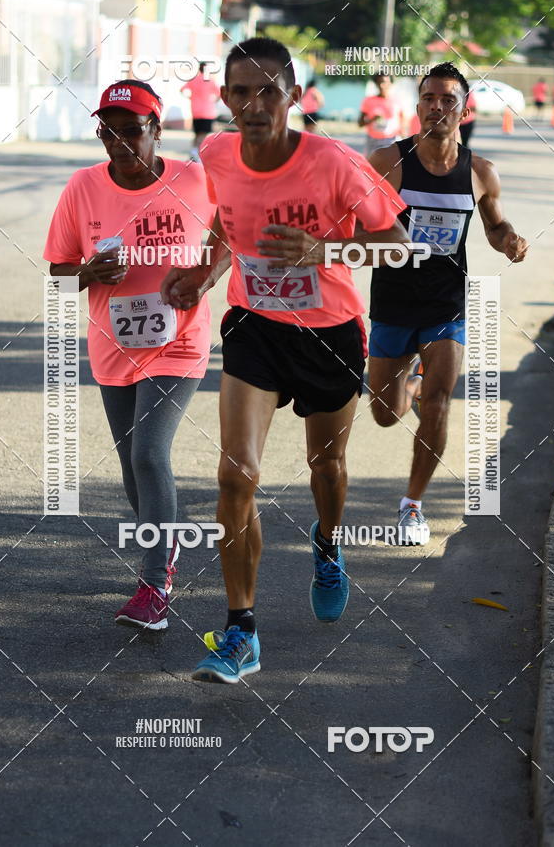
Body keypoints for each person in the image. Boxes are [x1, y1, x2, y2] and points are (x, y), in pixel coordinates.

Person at [161, 37, 408, 684]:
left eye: (269, 89)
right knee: (235, 473)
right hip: (255, 327)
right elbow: (226, 223)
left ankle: (327, 545)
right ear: (225, 98)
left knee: (326, 467)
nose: (254, 103)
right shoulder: (216, 152)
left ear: (294, 97)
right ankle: (241, 630)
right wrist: (204, 274)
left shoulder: (334, 164)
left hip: (329, 332)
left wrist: (323, 254)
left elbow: (399, 247)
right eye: (241, 91)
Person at [44, 79, 215, 630]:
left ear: (157, 131)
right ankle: (162, 545)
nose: (119, 142)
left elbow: (232, 235)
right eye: (108, 132)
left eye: (131, 130)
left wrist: (203, 278)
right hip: (113, 342)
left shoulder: (195, 179)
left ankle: (153, 587)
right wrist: (86, 273)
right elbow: (58, 271)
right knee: (129, 463)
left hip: (180, 339)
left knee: (148, 454)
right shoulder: (83, 187)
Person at [367, 62, 528, 546]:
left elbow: (495, 227)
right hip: (394, 302)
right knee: (385, 412)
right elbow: (356, 221)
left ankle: (412, 506)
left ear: (464, 108)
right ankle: (408, 384)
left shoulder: (479, 172)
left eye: (448, 99)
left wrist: (510, 240)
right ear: (417, 106)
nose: (437, 106)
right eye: (429, 98)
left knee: (439, 405)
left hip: (447, 304)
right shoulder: (387, 161)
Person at [182, 62, 221, 161]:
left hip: (195, 111)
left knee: (197, 133)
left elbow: (182, 89)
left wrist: (190, 97)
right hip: (207, 112)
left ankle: (193, 152)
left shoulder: (194, 80)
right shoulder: (210, 81)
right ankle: (196, 153)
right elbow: (220, 93)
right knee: (203, 134)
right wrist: (214, 101)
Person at [359, 73, 403, 156]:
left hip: (392, 141)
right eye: (379, 82)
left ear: (391, 83)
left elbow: (402, 121)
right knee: (371, 168)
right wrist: (373, 119)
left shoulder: (397, 101)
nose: (382, 85)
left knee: (392, 167)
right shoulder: (368, 101)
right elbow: (360, 123)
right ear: (375, 84)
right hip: (373, 142)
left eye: (385, 82)